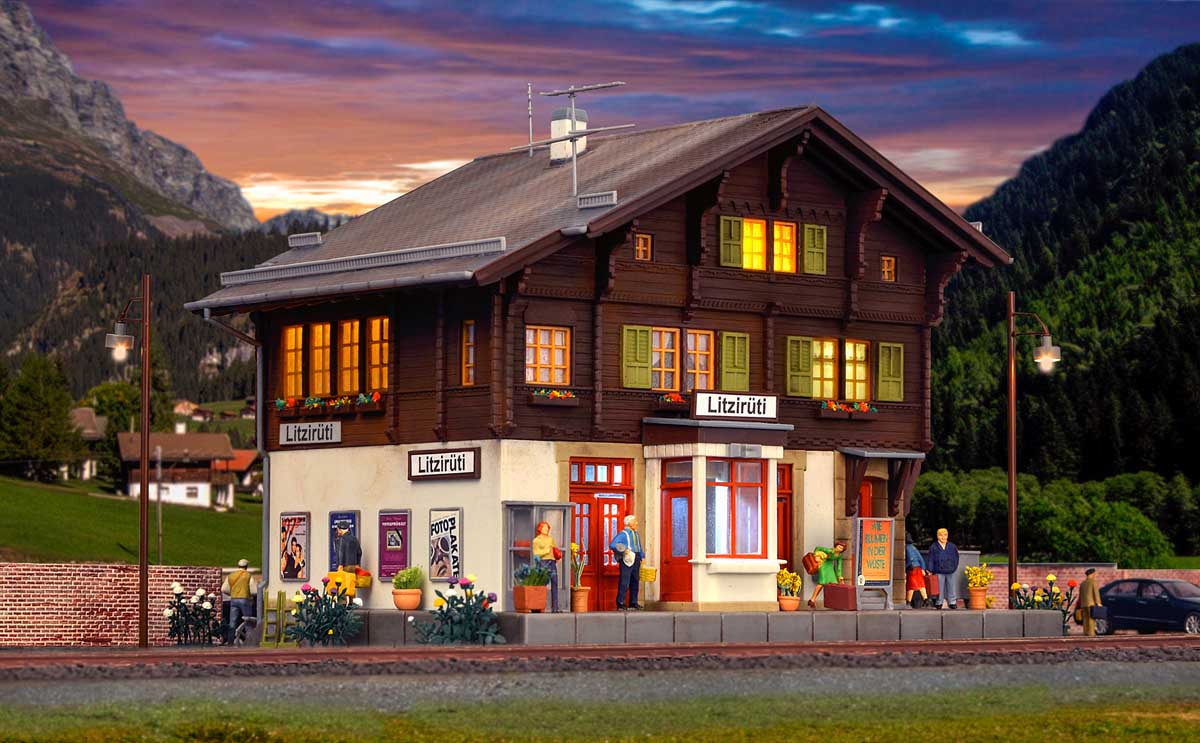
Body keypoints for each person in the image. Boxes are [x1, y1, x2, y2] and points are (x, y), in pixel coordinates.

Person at [609, 515, 644, 610]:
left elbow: (639, 546)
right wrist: (624, 549)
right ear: (629, 523)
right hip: (628, 558)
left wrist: (642, 556)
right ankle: (620, 602)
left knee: (635, 580)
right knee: (625, 581)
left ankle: (633, 602)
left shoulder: (636, 534)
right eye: (635, 521)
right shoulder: (623, 534)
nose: (636, 523)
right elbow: (613, 545)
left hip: (636, 557)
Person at [221, 558, 258, 643]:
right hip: (245, 599)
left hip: (233, 599)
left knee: (232, 622)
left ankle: (230, 640)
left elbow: (224, 589)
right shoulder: (248, 576)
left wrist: (232, 593)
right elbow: (254, 591)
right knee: (248, 621)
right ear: (246, 566)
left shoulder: (231, 576)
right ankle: (249, 641)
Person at [532, 521, 562, 613]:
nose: (546, 529)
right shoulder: (536, 540)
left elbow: (554, 549)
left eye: (547, 528)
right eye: (544, 527)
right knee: (542, 585)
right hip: (543, 562)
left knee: (555, 583)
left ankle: (555, 607)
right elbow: (536, 553)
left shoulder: (550, 539)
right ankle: (540, 607)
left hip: (552, 561)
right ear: (540, 528)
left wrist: (557, 556)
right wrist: (546, 550)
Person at [807, 541, 846, 608]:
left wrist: (840, 576)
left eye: (841, 548)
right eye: (839, 546)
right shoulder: (830, 551)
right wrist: (815, 556)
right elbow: (818, 548)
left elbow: (839, 566)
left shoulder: (839, 555)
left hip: (829, 566)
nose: (839, 549)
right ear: (836, 546)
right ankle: (812, 599)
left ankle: (833, 601)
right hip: (823, 564)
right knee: (822, 582)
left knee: (834, 583)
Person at [927, 528, 960, 609]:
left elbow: (956, 557)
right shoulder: (934, 547)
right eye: (941, 535)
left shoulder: (952, 546)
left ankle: (952, 602)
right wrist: (930, 569)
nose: (943, 537)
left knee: (951, 586)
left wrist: (954, 566)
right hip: (939, 570)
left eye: (945, 535)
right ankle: (939, 602)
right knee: (939, 588)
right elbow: (931, 559)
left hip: (950, 570)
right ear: (937, 536)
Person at [904, 533, 929, 608]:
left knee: (911, 586)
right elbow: (921, 559)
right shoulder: (914, 548)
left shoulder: (906, 548)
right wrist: (923, 568)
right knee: (921, 585)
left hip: (911, 569)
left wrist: (905, 568)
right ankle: (925, 599)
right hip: (918, 568)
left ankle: (908, 602)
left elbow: (909, 560)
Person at [1077, 567, 1104, 636]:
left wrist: (1080, 604)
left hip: (1083, 604)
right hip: (1091, 604)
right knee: (1091, 619)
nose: (1095, 575)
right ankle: (1091, 633)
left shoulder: (1082, 583)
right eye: (1094, 573)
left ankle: (1085, 632)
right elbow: (1096, 593)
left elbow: (1080, 595)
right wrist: (1098, 602)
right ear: (1092, 574)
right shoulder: (1093, 582)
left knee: (1085, 619)